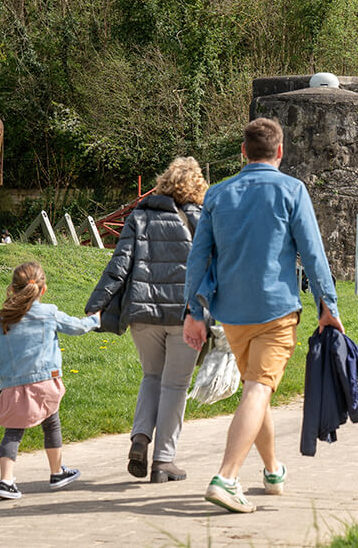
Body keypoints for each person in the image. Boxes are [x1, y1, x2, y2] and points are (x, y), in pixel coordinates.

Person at [182, 118, 345, 514]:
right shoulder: (292, 190)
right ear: (280, 151)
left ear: (243, 152)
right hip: (275, 310)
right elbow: (313, 252)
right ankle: (227, 477)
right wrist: (330, 305)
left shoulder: (218, 194)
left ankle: (273, 470)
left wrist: (193, 311)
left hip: (231, 314)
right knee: (257, 390)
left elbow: (198, 256)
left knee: (256, 389)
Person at [86, 157, 207, 484]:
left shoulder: (139, 216)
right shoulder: (200, 219)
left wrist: (96, 305)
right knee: (175, 385)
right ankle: (164, 461)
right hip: (185, 316)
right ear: (197, 186)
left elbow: (118, 266)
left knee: (151, 377)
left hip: (142, 315)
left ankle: (140, 439)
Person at [0, 262, 98, 500]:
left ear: (13, 289)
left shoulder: (1, 319)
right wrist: (95, 320)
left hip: (12, 384)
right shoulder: (49, 313)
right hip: (46, 383)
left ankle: (6, 481)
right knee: (51, 423)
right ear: (42, 290)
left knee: (12, 432)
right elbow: (76, 327)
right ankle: (56, 473)